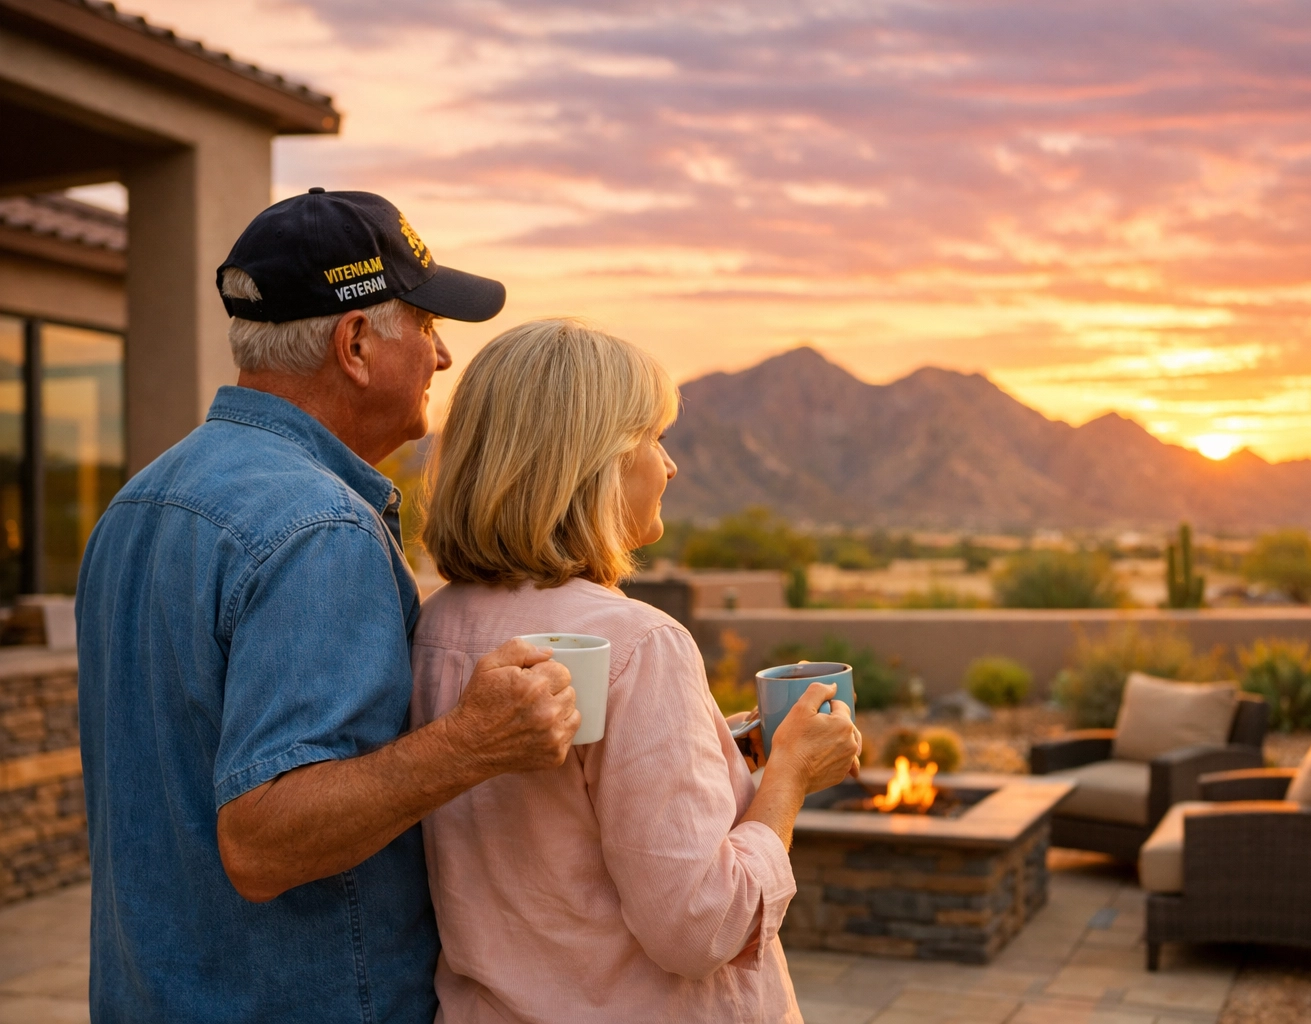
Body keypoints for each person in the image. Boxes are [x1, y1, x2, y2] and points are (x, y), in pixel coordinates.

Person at [75, 190, 581, 1023]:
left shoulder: (138, 503)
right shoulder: (320, 529)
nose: (443, 357)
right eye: (424, 325)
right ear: (354, 343)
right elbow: (263, 841)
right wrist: (473, 742)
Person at [411, 318, 862, 1024]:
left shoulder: (436, 628)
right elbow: (700, 925)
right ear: (597, 462)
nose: (670, 466)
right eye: (654, 439)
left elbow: (561, 826)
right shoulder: (637, 643)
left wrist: (727, 754)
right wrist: (789, 780)